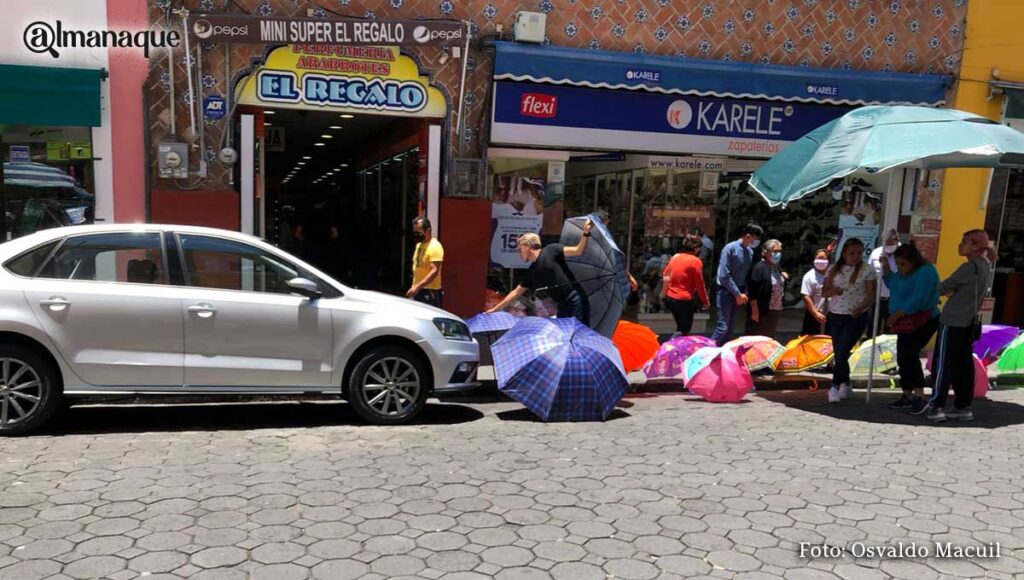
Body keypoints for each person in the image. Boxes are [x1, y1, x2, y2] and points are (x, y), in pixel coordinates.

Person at [919, 230, 995, 422]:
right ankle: (963, 406)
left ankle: (936, 405)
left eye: (964, 242)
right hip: (968, 322)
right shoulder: (985, 266)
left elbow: (943, 287)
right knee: (963, 365)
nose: (959, 245)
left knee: (943, 363)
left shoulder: (969, 267)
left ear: (975, 246)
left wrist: (950, 291)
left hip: (953, 320)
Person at [486, 220, 594, 323]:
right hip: (562, 305)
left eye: (519, 249)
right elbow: (515, 293)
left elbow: (578, 250)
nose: (518, 252)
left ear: (527, 246)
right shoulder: (533, 270)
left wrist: (586, 232)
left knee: (579, 335)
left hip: (575, 299)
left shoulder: (551, 250)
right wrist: (495, 309)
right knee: (563, 337)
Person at [881, 244, 940, 412]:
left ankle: (920, 395)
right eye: (897, 265)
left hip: (923, 319)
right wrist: (886, 269)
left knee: (910, 354)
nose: (900, 268)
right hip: (904, 322)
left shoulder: (926, 272)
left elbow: (919, 299)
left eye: (903, 264)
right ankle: (906, 393)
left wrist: (897, 314)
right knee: (902, 357)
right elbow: (893, 284)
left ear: (913, 261)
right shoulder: (900, 274)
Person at [822, 238, 877, 404]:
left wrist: (860, 308)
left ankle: (834, 385)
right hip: (836, 314)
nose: (855, 256)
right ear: (844, 253)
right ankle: (845, 382)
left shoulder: (867, 270)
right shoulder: (833, 269)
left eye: (859, 253)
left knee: (843, 349)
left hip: (856, 316)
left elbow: (871, 293)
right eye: (851, 253)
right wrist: (834, 291)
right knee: (839, 352)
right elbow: (824, 291)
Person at [711, 223, 763, 345]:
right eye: (756, 239)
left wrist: (743, 293)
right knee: (722, 327)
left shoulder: (749, 251)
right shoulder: (730, 248)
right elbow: (724, 274)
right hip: (726, 291)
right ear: (748, 236)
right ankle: (707, 351)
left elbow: (746, 274)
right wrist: (737, 293)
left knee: (730, 329)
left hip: (739, 292)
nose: (757, 242)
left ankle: (721, 354)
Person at [660, 234, 710, 336]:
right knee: (684, 329)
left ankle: (676, 349)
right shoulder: (696, 261)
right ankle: (669, 347)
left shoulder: (675, 257)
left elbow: (665, 275)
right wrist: (705, 301)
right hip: (684, 300)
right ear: (696, 248)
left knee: (680, 326)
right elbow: (700, 284)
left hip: (670, 298)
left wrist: (663, 295)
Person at [748, 239, 787, 337]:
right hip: (762, 311)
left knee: (769, 337)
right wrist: (755, 311)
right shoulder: (759, 268)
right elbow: (752, 292)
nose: (778, 254)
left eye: (779, 251)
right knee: (759, 337)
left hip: (775, 309)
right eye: (775, 251)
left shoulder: (775, 267)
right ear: (765, 252)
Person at [867, 229, 900, 337]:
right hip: (876, 298)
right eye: (886, 241)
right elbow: (869, 273)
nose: (888, 244)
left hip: (894, 300)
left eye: (891, 241)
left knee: (890, 331)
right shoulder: (876, 253)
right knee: (872, 330)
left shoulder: (902, 253)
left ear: (896, 239)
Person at [405, 217, 444, 307]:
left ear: (428, 230)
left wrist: (417, 287)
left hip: (430, 292)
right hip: (417, 289)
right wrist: (415, 287)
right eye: (415, 232)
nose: (416, 235)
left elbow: (434, 271)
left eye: (419, 232)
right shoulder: (419, 245)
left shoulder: (435, 246)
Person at [801, 249, 830, 335]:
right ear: (814, 260)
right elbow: (806, 296)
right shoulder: (809, 276)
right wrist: (815, 313)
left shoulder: (833, 274)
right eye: (819, 258)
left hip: (831, 314)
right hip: (814, 314)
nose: (821, 261)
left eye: (823, 258)